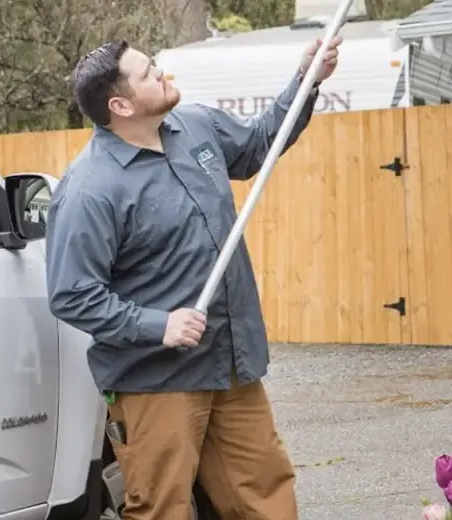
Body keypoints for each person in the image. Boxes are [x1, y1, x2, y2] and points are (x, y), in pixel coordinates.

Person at [44, 35, 341, 520]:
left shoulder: (195, 126)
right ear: (119, 105)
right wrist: (158, 325)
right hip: (158, 382)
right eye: (147, 73)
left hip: (230, 365)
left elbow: (259, 144)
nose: (160, 73)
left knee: (265, 494)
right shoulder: (90, 189)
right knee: (164, 508)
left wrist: (306, 81)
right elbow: (72, 294)